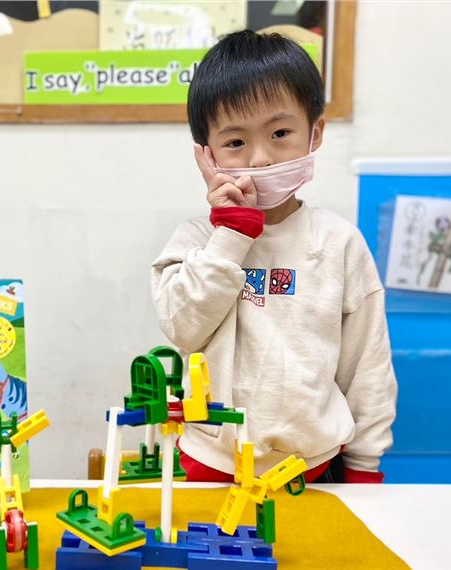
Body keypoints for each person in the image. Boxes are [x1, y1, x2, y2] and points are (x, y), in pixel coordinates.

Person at [151, 30, 397, 483]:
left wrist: (364, 466)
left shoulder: (339, 242)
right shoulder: (195, 240)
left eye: (280, 133)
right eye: (235, 143)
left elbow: (368, 366)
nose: (260, 159)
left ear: (314, 133)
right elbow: (184, 328)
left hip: (312, 466)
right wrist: (232, 233)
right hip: (211, 462)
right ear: (206, 155)